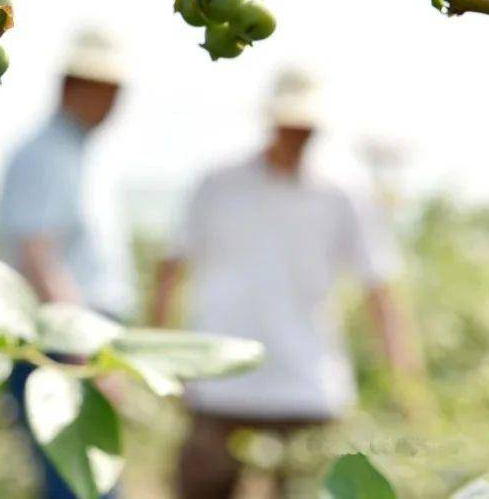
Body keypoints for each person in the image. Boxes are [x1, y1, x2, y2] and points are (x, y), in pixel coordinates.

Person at [152, 68, 420, 499]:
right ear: (270, 120)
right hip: (221, 385)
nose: (297, 135)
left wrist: (405, 378)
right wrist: (162, 362)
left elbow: (380, 289)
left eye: (306, 127)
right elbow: (170, 269)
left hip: (307, 387)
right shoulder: (218, 186)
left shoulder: (342, 194)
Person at [0, 27, 139, 499]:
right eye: (107, 90)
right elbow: (37, 257)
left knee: (88, 478)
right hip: (62, 342)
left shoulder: (78, 153)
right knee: (83, 483)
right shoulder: (46, 155)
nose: (116, 102)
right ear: (73, 86)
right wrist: (85, 353)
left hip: (76, 336)